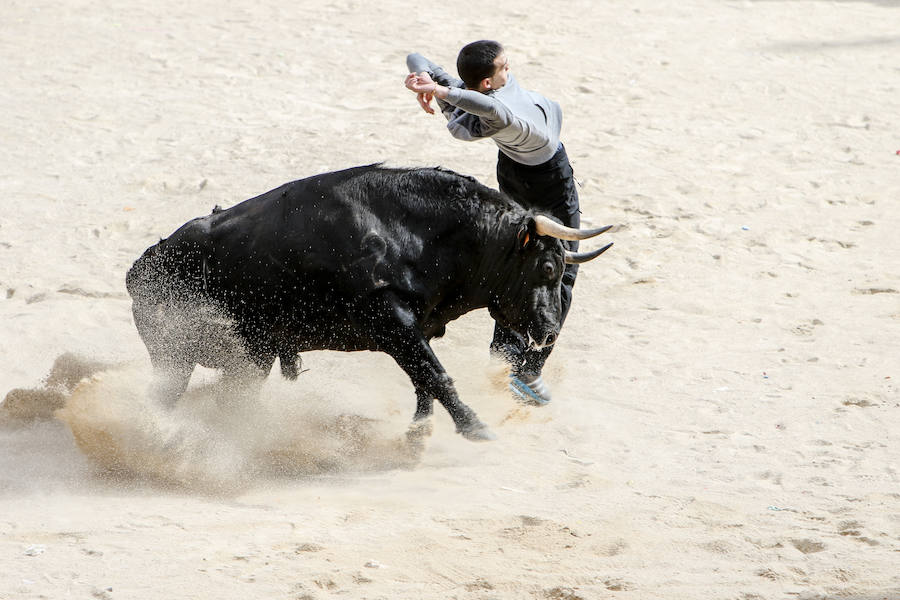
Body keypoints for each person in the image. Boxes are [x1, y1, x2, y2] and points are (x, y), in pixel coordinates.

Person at [404, 40, 582, 406]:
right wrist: (437, 90)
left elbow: (417, 56)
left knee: (519, 261)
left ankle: (503, 355)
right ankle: (529, 370)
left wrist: (426, 79)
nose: (508, 68)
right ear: (487, 84)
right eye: (503, 66)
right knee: (561, 270)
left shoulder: (473, 95)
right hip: (549, 183)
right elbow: (485, 106)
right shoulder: (503, 114)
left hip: (513, 175)